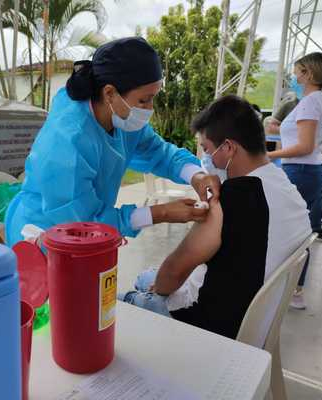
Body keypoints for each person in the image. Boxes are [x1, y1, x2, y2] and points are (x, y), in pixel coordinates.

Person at [119, 95, 311, 339]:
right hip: (256, 318)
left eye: (208, 150)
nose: (206, 160)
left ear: (229, 147)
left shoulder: (235, 196)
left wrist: (157, 289)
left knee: (118, 298)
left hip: (208, 324)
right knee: (146, 277)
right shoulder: (286, 186)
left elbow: (174, 271)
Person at [5, 37, 221, 246]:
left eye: (153, 97)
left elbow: (158, 153)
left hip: (91, 235)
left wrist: (196, 175)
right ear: (110, 93)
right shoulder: (66, 142)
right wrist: (160, 213)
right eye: (144, 100)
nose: (149, 108)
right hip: (45, 236)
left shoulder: (123, 118)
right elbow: (82, 224)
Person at [267, 52, 322, 309]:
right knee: (299, 231)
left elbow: (303, 146)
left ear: (309, 73)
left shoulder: (308, 103)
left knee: (287, 231)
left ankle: (290, 289)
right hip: (309, 172)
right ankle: (295, 288)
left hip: (300, 172)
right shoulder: (319, 99)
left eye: (297, 72)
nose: (294, 77)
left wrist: (268, 154)